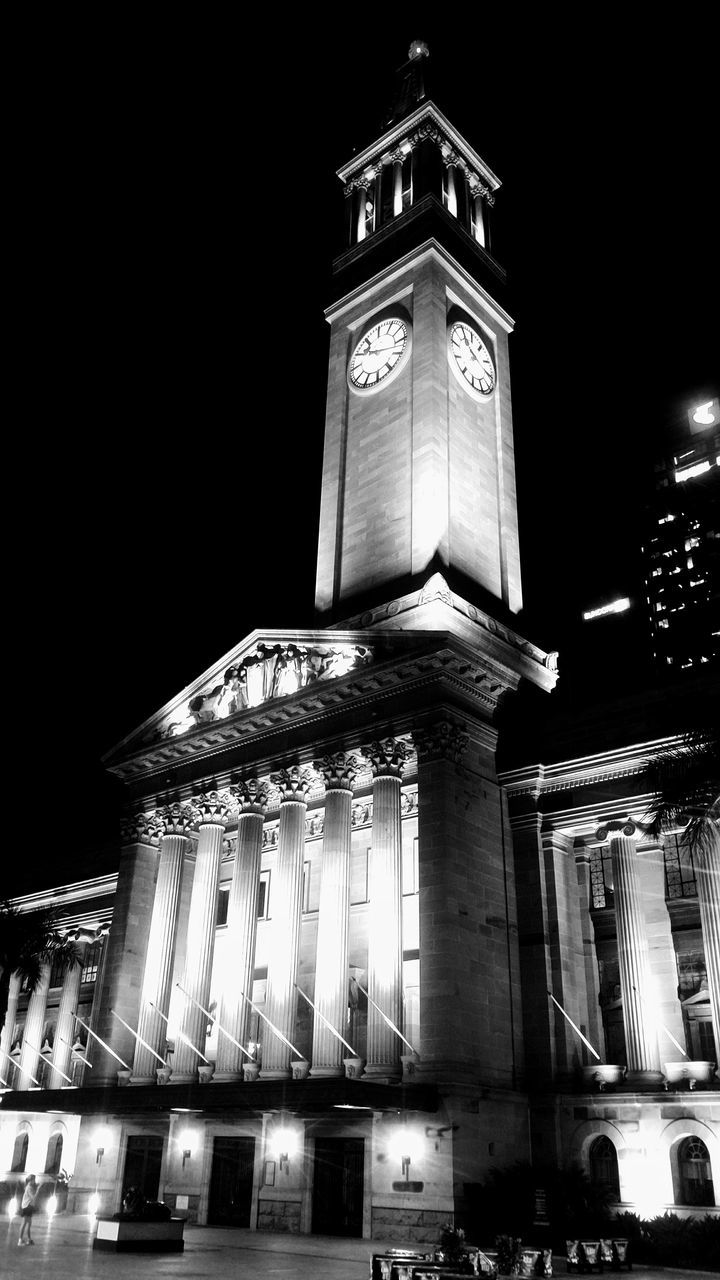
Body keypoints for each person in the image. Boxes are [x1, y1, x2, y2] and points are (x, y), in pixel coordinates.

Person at [18, 1173, 38, 1245]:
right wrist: (38, 1189)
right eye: (34, 1179)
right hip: (27, 1207)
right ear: (31, 1180)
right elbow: (33, 1197)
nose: (35, 1181)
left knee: (29, 1224)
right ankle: (20, 1240)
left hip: (28, 1207)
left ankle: (29, 1239)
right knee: (24, 1224)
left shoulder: (29, 1187)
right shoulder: (29, 1188)